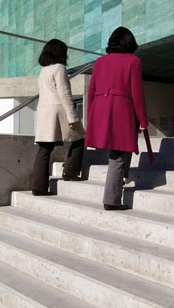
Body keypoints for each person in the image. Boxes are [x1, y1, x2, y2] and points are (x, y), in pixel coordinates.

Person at [85, 26, 148, 211]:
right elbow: (137, 94)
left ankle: (121, 178)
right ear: (130, 42)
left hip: (101, 108)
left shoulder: (100, 62)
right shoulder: (133, 61)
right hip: (121, 110)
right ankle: (111, 200)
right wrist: (143, 120)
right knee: (119, 153)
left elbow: (91, 92)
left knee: (121, 150)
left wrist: (91, 117)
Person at [31, 39, 85, 196]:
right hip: (58, 111)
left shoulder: (43, 71)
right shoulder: (60, 68)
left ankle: (38, 187)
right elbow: (64, 93)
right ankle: (70, 172)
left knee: (44, 149)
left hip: (44, 112)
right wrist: (72, 115)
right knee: (80, 138)